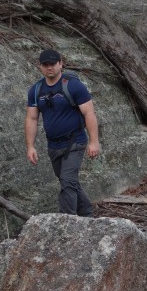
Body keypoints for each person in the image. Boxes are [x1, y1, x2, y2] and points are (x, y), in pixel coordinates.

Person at [24, 49, 100, 216]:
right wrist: (30, 146)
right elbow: (32, 119)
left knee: (67, 181)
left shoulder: (73, 86)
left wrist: (94, 141)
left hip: (75, 141)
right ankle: (87, 214)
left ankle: (67, 221)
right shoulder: (36, 91)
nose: (49, 67)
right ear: (40, 66)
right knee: (69, 182)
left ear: (60, 64)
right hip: (53, 145)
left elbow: (89, 113)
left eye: (53, 64)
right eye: (45, 65)